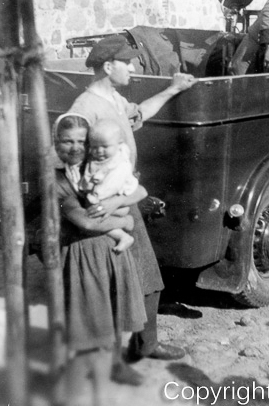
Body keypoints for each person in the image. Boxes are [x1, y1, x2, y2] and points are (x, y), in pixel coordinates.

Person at [67, 34, 196, 367]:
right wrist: (103, 206)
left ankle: (143, 344)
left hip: (121, 200)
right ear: (108, 66)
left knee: (147, 278)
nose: (134, 69)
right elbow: (72, 166)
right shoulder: (84, 109)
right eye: (127, 62)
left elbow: (140, 114)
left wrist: (173, 88)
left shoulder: (112, 98)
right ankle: (118, 353)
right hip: (102, 208)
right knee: (115, 281)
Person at [51, 113, 147, 405]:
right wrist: (128, 223)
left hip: (110, 252)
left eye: (82, 141)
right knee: (92, 326)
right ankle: (87, 391)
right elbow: (87, 223)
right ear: (56, 143)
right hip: (83, 255)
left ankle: (116, 368)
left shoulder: (93, 167)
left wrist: (118, 202)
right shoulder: (57, 179)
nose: (76, 147)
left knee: (116, 316)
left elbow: (140, 190)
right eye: (67, 142)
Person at [79, 119, 138, 253]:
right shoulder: (98, 160)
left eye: (105, 147)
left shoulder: (120, 164)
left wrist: (95, 196)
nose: (99, 151)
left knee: (91, 215)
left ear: (119, 144)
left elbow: (112, 185)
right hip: (113, 205)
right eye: (94, 147)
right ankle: (123, 231)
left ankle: (123, 236)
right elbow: (88, 175)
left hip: (115, 202)